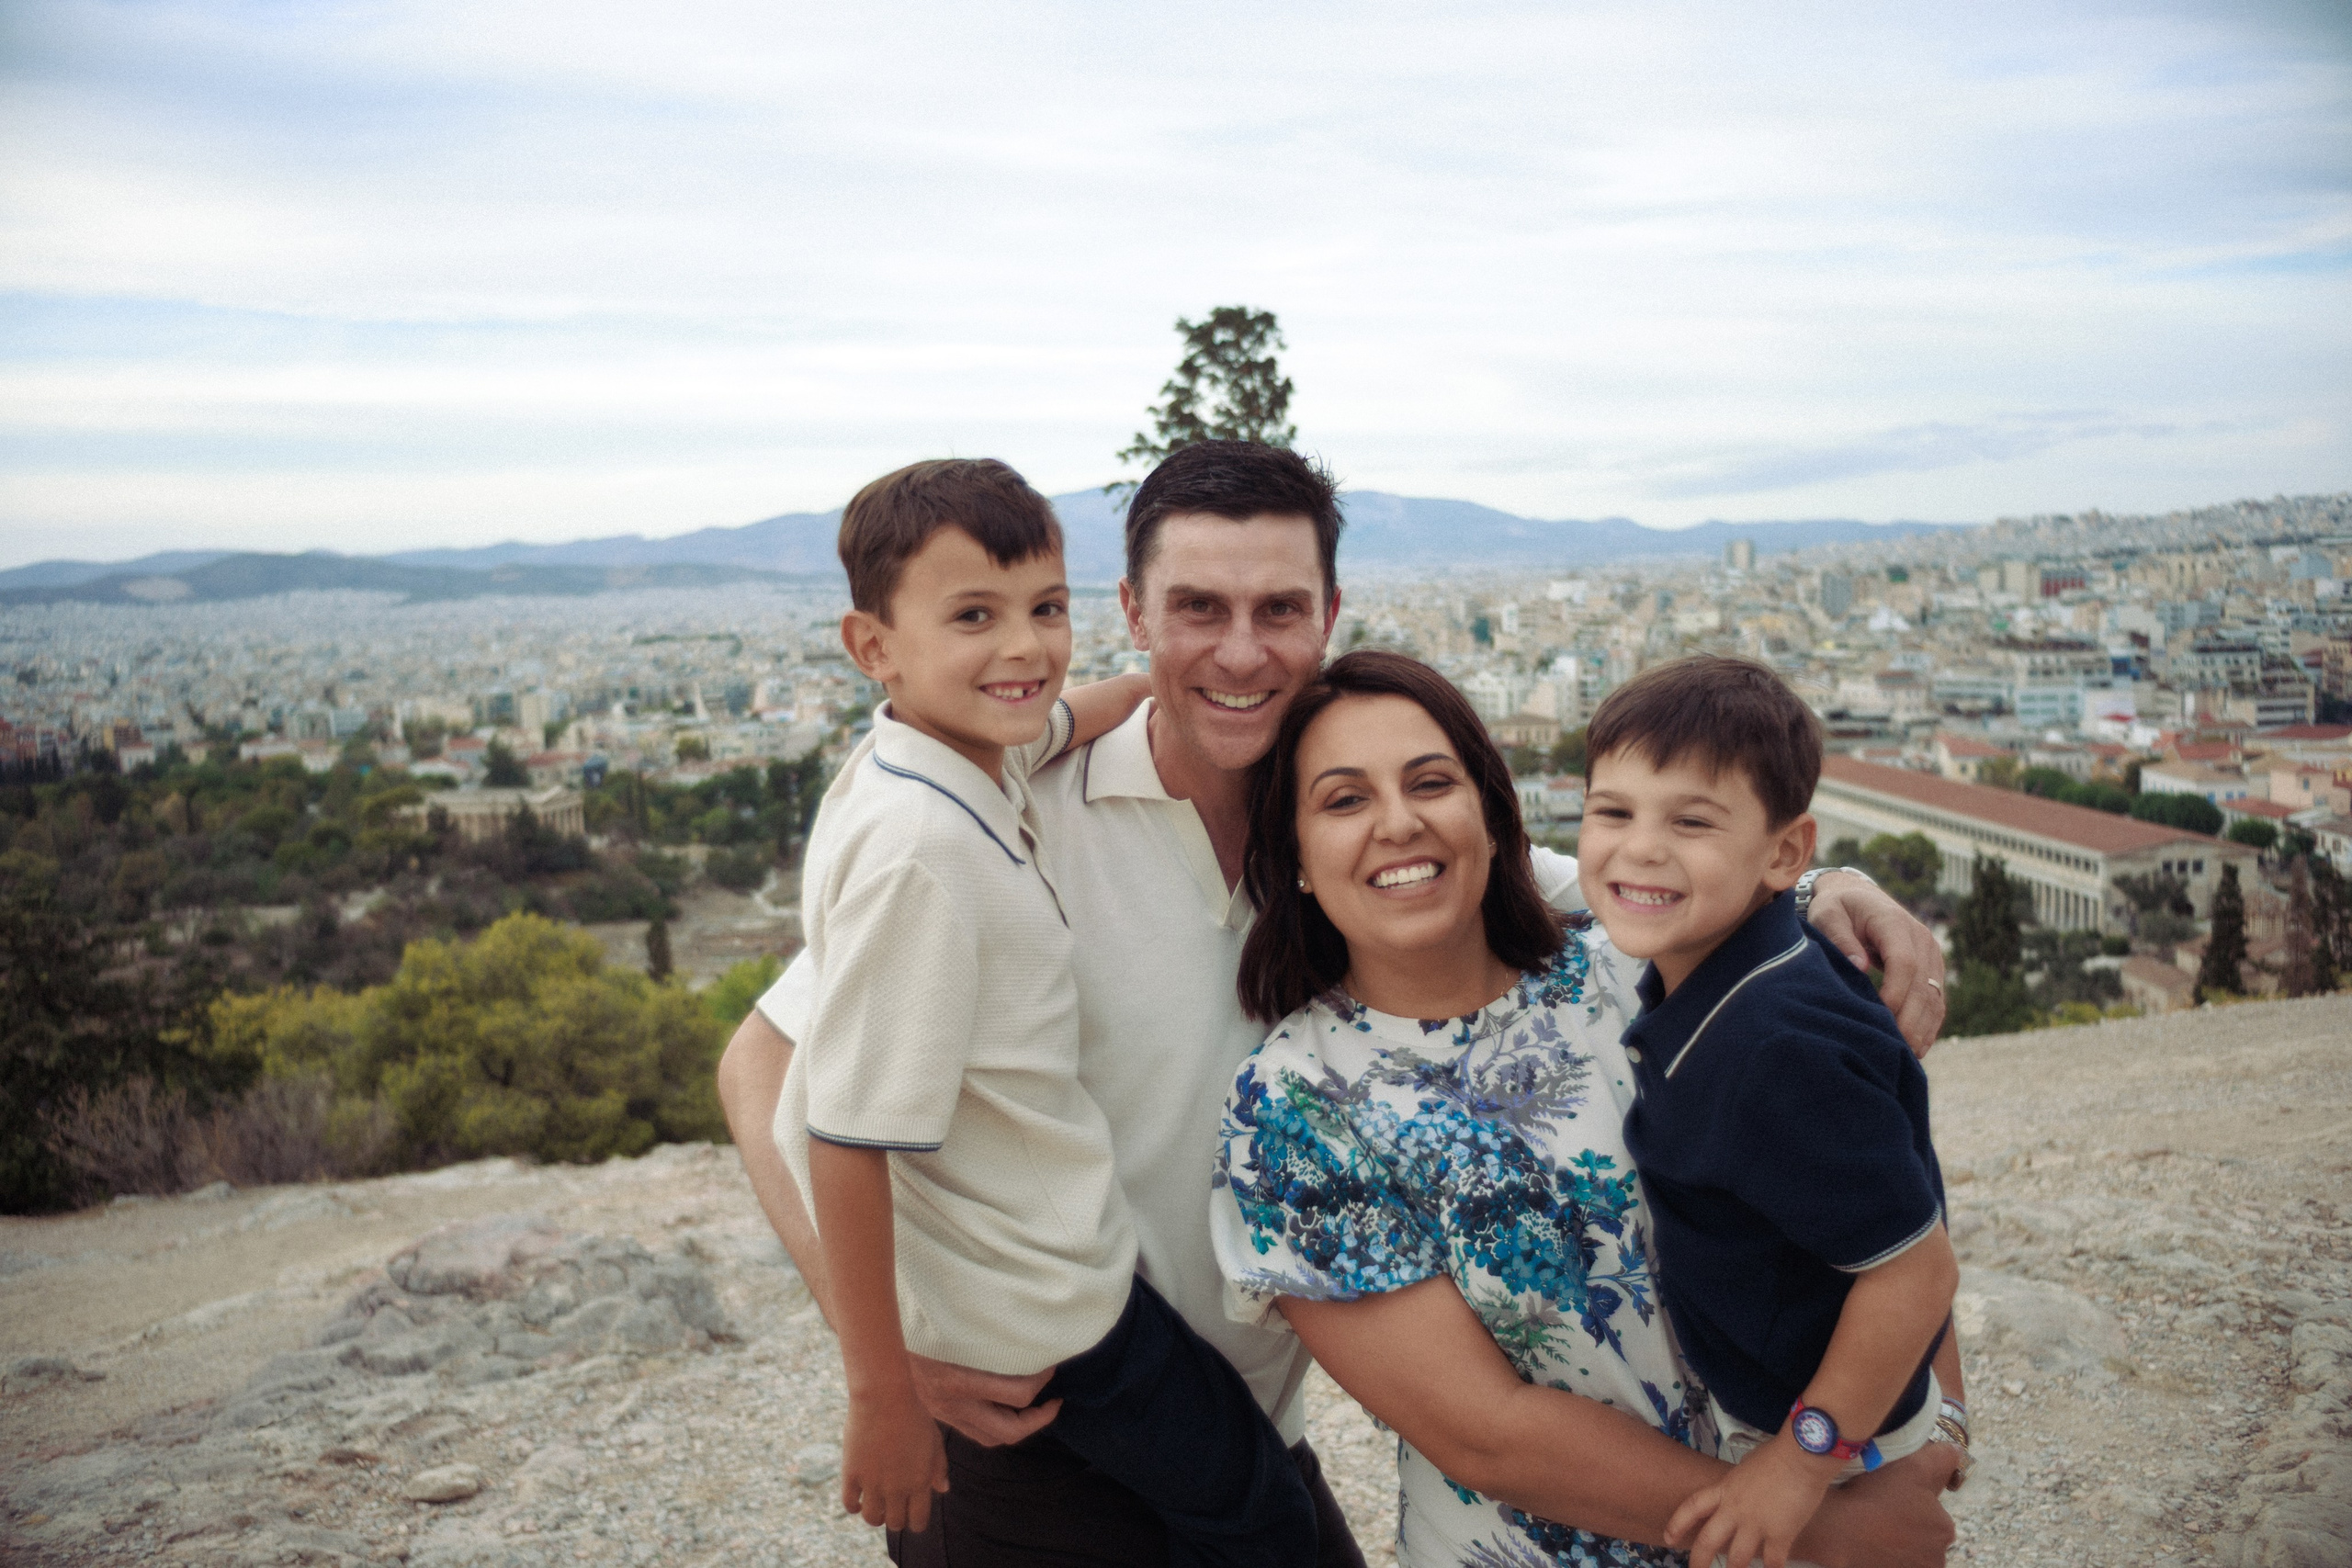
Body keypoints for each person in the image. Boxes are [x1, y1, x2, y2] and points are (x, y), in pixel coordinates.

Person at [718, 440, 1953, 1565]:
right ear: (1134, 614)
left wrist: (1824, 888)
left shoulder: (1364, 832)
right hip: (1033, 1428)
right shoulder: (997, 814)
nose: (1241, 651)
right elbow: (764, 1065)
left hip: (1237, 1429)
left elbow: (1646, 891)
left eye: (1279, 609)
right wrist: (893, 1350)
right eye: (1199, 609)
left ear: (1328, 614)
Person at [1213, 648, 1965, 1567]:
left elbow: (1877, 1194)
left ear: (1493, 815)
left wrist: (1934, 1428)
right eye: (1344, 800)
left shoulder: (1648, 963)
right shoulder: (1292, 1108)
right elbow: (1490, 1432)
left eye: (1431, 782)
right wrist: (1819, 1525)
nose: (1399, 823)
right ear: (1293, 855)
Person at [787, 456, 1314, 1560]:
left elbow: (1061, 714)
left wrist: (1156, 688)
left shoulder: (943, 764)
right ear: (872, 647)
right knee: (1266, 1518)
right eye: (973, 616)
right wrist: (883, 1385)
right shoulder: (922, 854)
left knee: (1250, 1496)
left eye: (1044, 610)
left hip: (1065, 1301)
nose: (1023, 648)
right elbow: (831, 1123)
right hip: (1049, 1325)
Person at [1578, 657, 1965, 1568]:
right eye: (1613, 812)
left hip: (1835, 1444)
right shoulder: (1741, 966)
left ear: (1786, 854)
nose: (1640, 848)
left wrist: (1796, 1466)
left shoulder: (1773, 1048)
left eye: (1691, 821)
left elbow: (1915, 1274)